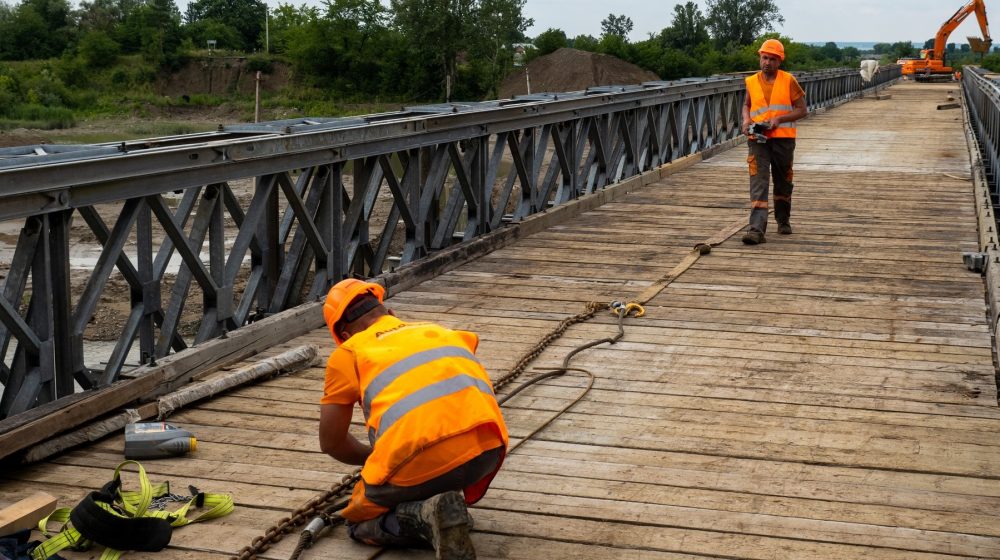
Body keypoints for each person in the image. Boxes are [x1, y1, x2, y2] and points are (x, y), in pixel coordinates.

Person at [318, 278, 509, 560]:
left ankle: (424, 516)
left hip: (422, 465)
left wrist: (376, 459)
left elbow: (331, 443)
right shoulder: (441, 331)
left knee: (357, 521)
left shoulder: (349, 352)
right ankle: (443, 508)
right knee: (435, 470)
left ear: (344, 336)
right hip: (489, 452)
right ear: (390, 313)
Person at [740, 38, 808, 245]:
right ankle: (756, 229)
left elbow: (802, 110)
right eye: (764, 58)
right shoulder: (751, 81)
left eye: (772, 59)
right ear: (760, 58)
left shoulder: (788, 80)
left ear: (779, 61)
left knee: (783, 181)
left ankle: (783, 219)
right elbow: (746, 105)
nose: (767, 62)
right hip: (758, 139)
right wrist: (746, 120)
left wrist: (779, 119)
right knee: (758, 182)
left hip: (783, 140)